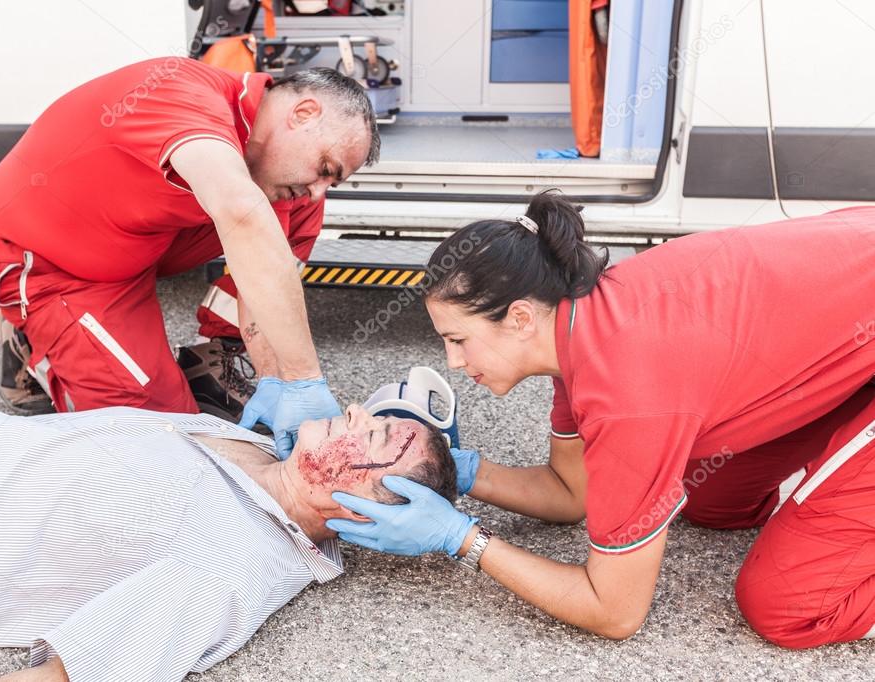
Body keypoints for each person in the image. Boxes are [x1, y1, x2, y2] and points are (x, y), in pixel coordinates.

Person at [328, 191, 875, 649]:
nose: (452, 361)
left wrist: (463, 539)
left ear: (519, 318)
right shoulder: (577, 322)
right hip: (856, 303)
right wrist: (461, 470)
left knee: (786, 606)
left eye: (458, 339)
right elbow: (573, 493)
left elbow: (615, 612)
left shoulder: (630, 394)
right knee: (713, 504)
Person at [0, 404, 455, 681]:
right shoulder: (267, 450)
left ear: (362, 507)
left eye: (372, 431)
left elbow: (75, 675)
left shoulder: (232, 565)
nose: (352, 408)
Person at [0, 57, 380, 456]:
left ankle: (209, 359)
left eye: (333, 181)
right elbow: (240, 211)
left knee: (281, 222)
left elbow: (266, 279)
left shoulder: (292, 187)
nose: (319, 191)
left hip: (130, 245)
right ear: (304, 113)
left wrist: (276, 381)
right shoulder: (180, 93)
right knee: (157, 435)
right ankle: (31, 339)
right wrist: (305, 380)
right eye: (326, 167)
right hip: (47, 257)